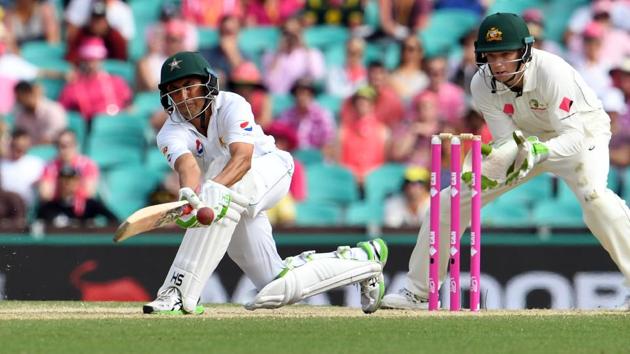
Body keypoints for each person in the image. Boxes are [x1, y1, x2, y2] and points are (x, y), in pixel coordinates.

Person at [381, 12, 630, 310]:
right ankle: (418, 292)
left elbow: (573, 137)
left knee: (595, 198)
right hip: (524, 141)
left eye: (505, 54)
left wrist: (540, 151)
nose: (497, 65)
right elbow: (506, 141)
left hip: (581, 136)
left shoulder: (553, 72)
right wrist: (485, 166)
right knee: (451, 198)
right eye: (491, 55)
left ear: (524, 50)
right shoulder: (482, 84)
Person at [143, 51, 388, 315]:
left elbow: (243, 159)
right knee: (276, 283)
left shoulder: (231, 104)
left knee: (219, 193)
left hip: (270, 169)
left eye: (189, 86)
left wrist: (209, 192)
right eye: (175, 90)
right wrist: (189, 194)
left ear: (207, 83)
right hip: (231, 200)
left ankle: (179, 292)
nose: (183, 97)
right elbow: (187, 166)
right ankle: (363, 260)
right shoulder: (169, 131)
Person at [36, 165, 117, 227]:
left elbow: (115, 220)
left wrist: (93, 225)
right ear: (58, 182)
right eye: (63, 179)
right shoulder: (47, 208)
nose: (67, 183)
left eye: (72, 180)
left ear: (78, 182)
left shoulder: (90, 205)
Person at [13, 81, 68, 146]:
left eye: (20, 97)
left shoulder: (53, 110)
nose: (18, 101)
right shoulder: (20, 114)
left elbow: (55, 139)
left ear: (30, 93)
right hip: (28, 152)